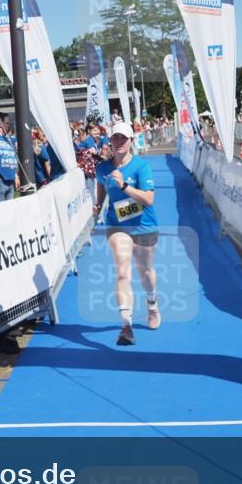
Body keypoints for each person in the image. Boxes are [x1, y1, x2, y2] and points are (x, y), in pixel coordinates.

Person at [94, 121, 160, 346]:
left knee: (145, 271)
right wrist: (98, 204)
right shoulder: (103, 168)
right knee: (123, 270)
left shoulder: (142, 167)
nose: (119, 142)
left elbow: (149, 199)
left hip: (144, 225)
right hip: (117, 225)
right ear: (110, 141)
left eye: (124, 138)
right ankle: (126, 326)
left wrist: (124, 187)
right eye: (115, 138)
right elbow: (102, 185)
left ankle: (152, 305)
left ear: (131, 141)